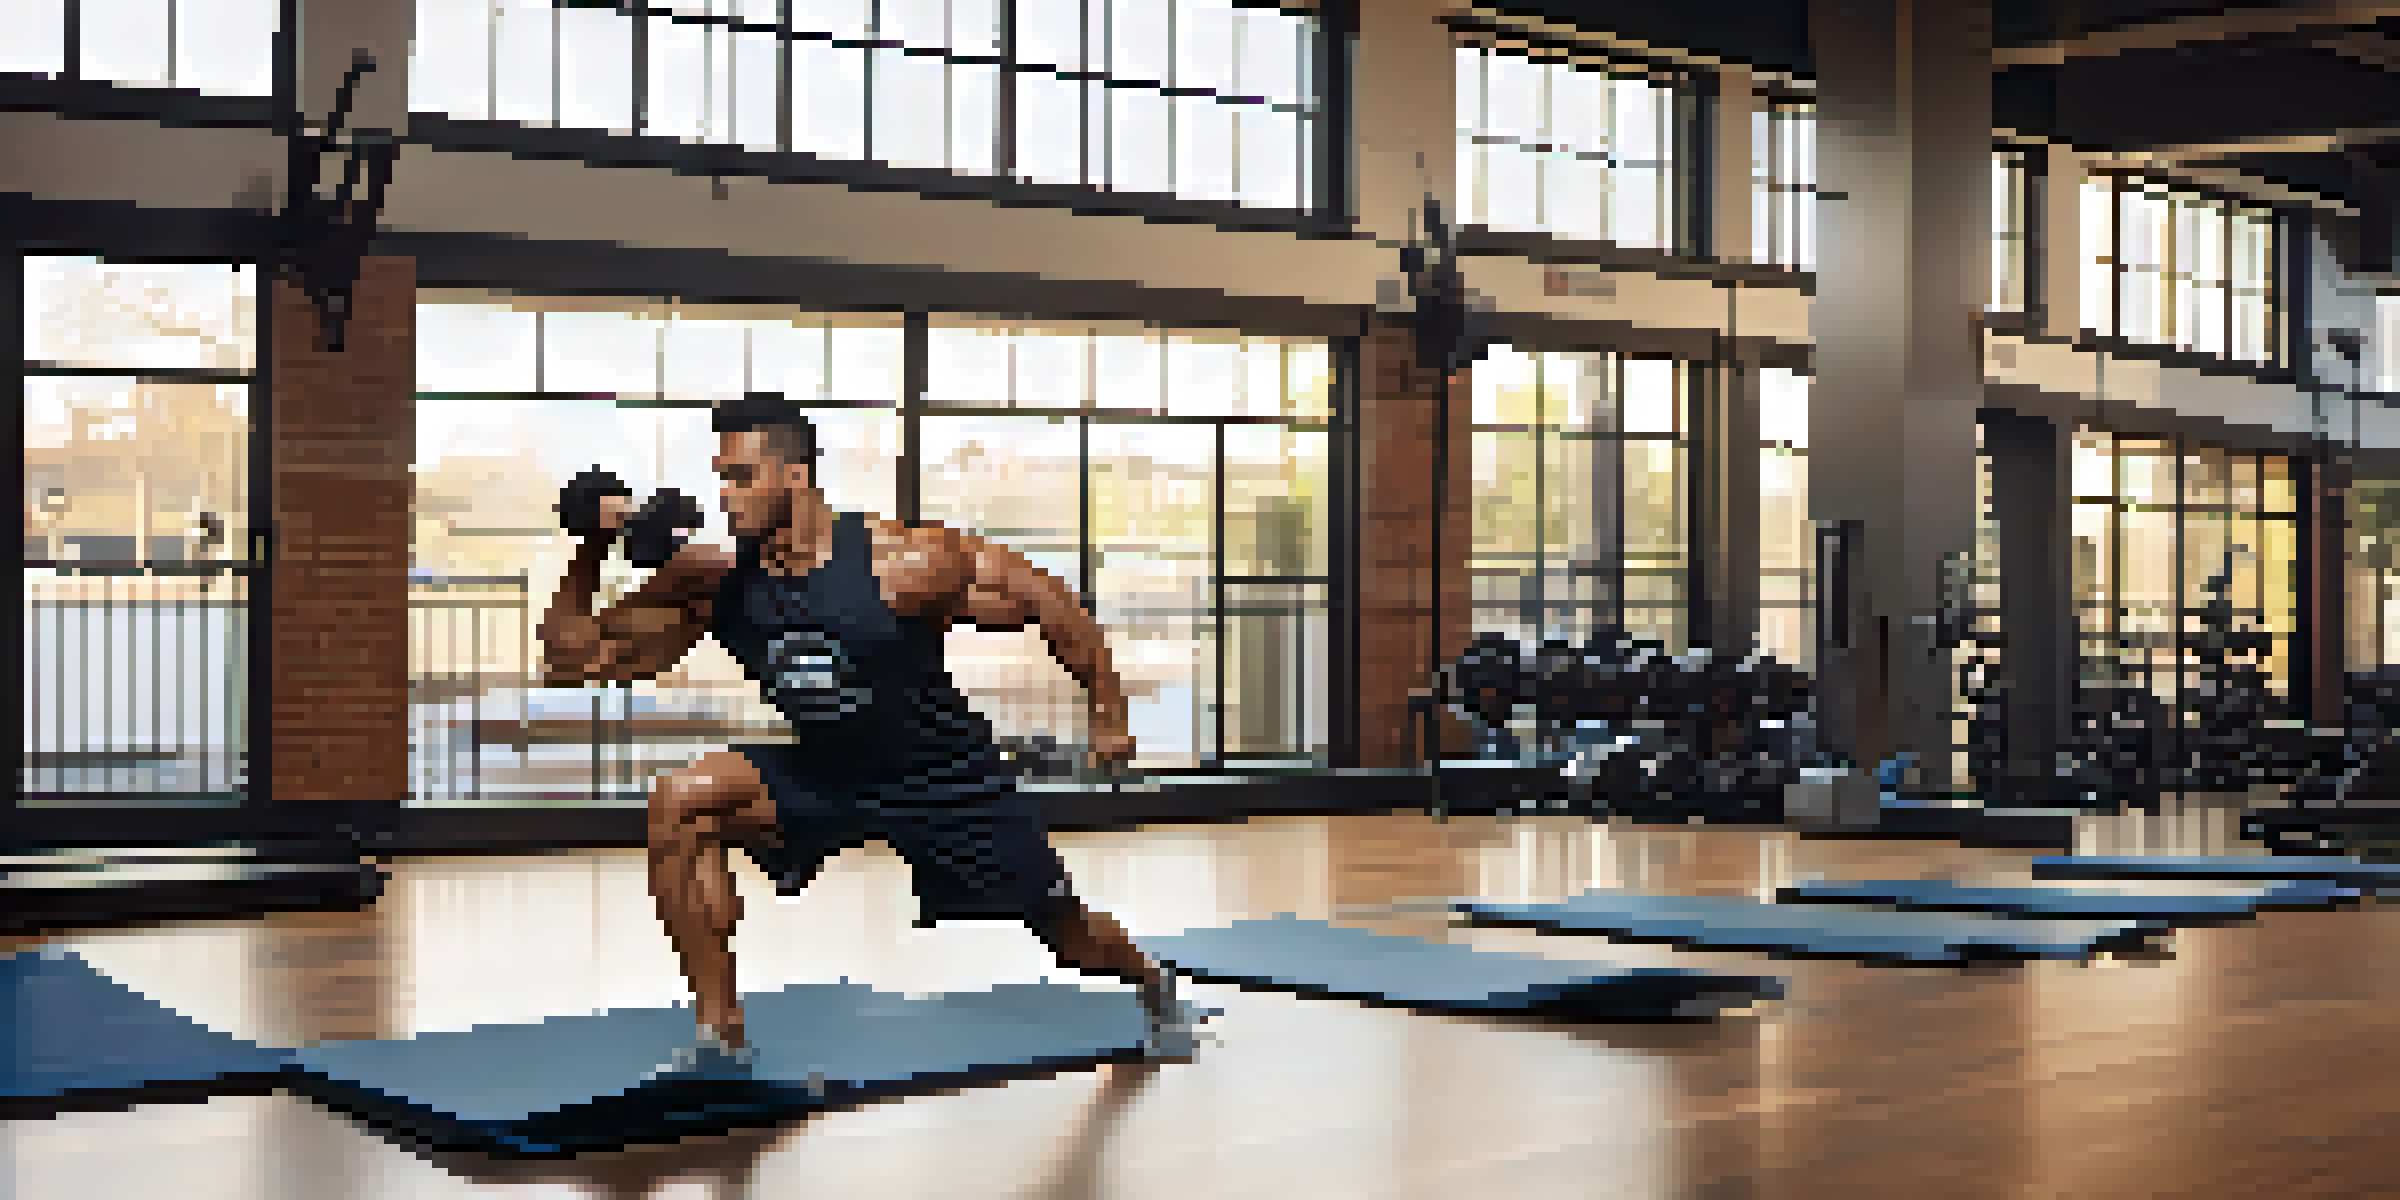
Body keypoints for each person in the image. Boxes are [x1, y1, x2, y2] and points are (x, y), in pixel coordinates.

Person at [536, 392, 1202, 1076]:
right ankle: (721, 1035)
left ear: (793, 476)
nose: (727, 496)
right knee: (680, 802)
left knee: (1070, 940)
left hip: (946, 781)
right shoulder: (714, 578)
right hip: (828, 771)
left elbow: (1046, 599)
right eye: (721, 477)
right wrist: (592, 543)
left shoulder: (905, 563)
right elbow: (571, 658)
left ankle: (1154, 986)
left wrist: (1110, 715)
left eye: (741, 477)